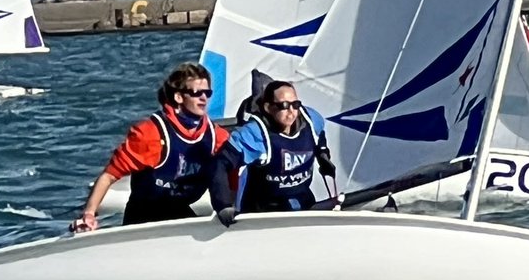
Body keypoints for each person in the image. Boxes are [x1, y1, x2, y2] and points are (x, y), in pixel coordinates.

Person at [71, 62, 230, 232]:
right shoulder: (149, 134)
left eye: (207, 93)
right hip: (143, 215)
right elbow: (109, 176)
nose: (204, 98)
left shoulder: (217, 137)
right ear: (178, 97)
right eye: (197, 93)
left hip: (179, 210)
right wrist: (89, 214)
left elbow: (235, 177)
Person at [210, 80, 335, 225]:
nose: (291, 112)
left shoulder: (312, 120)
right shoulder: (255, 135)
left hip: (302, 200)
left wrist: (323, 156)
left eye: (295, 105)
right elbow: (219, 164)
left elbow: (319, 138)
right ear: (268, 107)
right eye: (284, 106)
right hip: (263, 212)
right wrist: (223, 205)